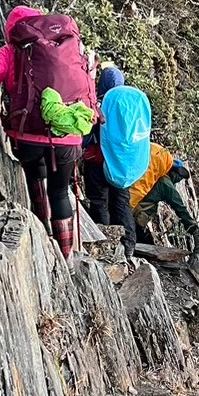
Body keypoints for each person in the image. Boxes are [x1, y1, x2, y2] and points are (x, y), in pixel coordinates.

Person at [0, 7, 96, 261]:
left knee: (36, 182)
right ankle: (66, 258)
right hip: (67, 136)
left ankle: (42, 233)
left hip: (27, 135)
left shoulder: (13, 51)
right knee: (60, 192)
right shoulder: (68, 48)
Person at [80, 64, 139, 262]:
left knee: (99, 200)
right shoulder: (130, 106)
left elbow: (88, 135)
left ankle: (102, 243)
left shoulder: (98, 104)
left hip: (98, 162)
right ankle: (129, 245)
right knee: (122, 201)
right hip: (123, 164)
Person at [129, 143, 199, 252]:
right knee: (140, 247)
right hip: (135, 215)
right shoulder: (166, 183)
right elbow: (180, 207)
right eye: (179, 177)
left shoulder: (155, 172)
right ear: (175, 173)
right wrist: (193, 228)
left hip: (130, 204)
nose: (178, 181)